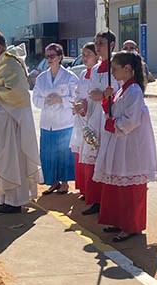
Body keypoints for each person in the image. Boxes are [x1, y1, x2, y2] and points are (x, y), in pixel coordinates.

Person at [0, 29, 41, 214]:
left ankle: (14, 201)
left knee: (10, 161)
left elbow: (17, 94)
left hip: (10, 123)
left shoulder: (11, 64)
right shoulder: (0, 63)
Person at [93, 50, 156, 242]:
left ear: (127, 69)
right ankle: (119, 221)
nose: (112, 73)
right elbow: (114, 110)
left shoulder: (134, 90)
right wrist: (108, 100)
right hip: (121, 143)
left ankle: (131, 226)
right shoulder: (122, 88)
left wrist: (113, 124)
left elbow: (131, 120)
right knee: (118, 182)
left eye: (115, 68)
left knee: (130, 186)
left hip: (131, 144)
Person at [80, 29, 119, 216]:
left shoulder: (117, 67)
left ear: (111, 45)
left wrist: (103, 95)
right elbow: (90, 92)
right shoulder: (95, 69)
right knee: (93, 160)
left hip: (109, 118)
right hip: (95, 117)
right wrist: (84, 104)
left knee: (109, 160)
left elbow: (119, 93)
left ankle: (109, 201)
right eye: (95, 44)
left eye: (101, 44)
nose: (97, 47)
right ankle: (95, 200)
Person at [32, 43, 78, 195]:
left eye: (52, 56)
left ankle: (64, 182)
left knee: (64, 154)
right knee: (48, 153)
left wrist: (61, 100)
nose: (49, 59)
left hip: (64, 123)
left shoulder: (70, 77)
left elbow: (76, 98)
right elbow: (35, 98)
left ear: (60, 57)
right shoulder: (41, 78)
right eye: (47, 56)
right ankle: (53, 182)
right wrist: (45, 101)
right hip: (47, 123)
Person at [69, 42, 98, 199]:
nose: (85, 58)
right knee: (81, 154)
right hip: (81, 119)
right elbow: (78, 93)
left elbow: (94, 96)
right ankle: (84, 189)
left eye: (88, 55)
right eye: (83, 55)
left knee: (91, 155)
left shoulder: (98, 73)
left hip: (92, 117)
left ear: (97, 56)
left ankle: (93, 193)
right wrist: (77, 104)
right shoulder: (82, 74)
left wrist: (84, 104)